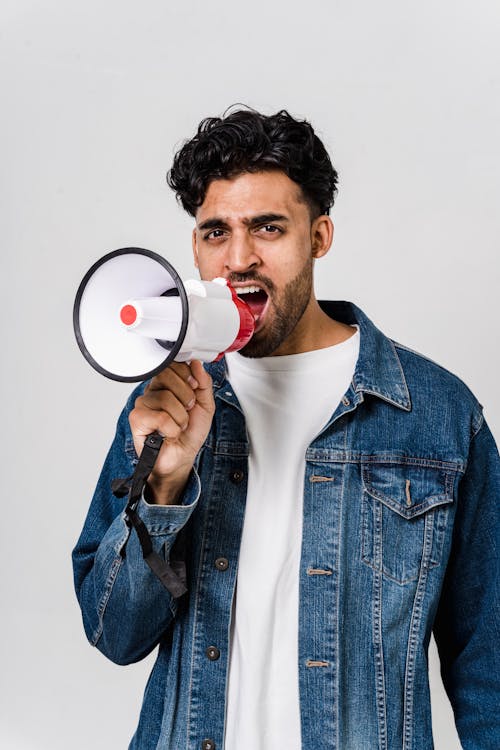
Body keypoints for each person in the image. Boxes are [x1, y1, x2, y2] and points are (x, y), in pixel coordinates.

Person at [72, 107, 500, 750]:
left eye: (267, 228)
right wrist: (162, 489)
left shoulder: (436, 413)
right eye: (216, 232)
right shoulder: (164, 405)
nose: (238, 258)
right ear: (194, 247)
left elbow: (486, 663)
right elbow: (114, 632)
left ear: (319, 236)